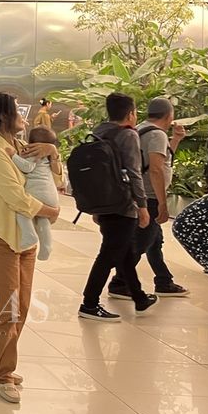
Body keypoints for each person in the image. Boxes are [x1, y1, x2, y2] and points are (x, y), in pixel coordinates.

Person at [0, 94, 60, 404]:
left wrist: (52, 151)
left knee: (18, 307)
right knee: (6, 310)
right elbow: (16, 198)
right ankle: (1, 372)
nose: (24, 114)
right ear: (4, 116)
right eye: (16, 109)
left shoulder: (21, 147)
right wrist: (50, 212)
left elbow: (51, 178)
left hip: (24, 237)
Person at [78, 92, 158, 322]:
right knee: (108, 254)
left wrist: (95, 207)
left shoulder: (99, 132)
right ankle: (89, 303)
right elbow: (134, 173)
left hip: (103, 202)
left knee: (123, 251)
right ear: (131, 113)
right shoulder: (127, 136)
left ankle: (139, 297)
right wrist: (142, 206)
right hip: (123, 204)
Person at [108, 97, 189, 298]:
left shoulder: (142, 128)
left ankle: (163, 281)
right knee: (142, 242)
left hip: (135, 193)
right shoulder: (157, 135)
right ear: (170, 116)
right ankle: (119, 283)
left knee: (154, 241)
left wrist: (176, 140)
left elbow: (160, 158)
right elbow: (156, 169)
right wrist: (162, 203)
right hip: (149, 196)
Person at [10, 127, 62, 261]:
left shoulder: (31, 151)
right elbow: (60, 181)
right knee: (42, 219)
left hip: (37, 191)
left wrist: (13, 155)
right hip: (51, 195)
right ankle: (46, 246)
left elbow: (27, 167)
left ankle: (29, 235)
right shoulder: (48, 156)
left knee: (23, 210)